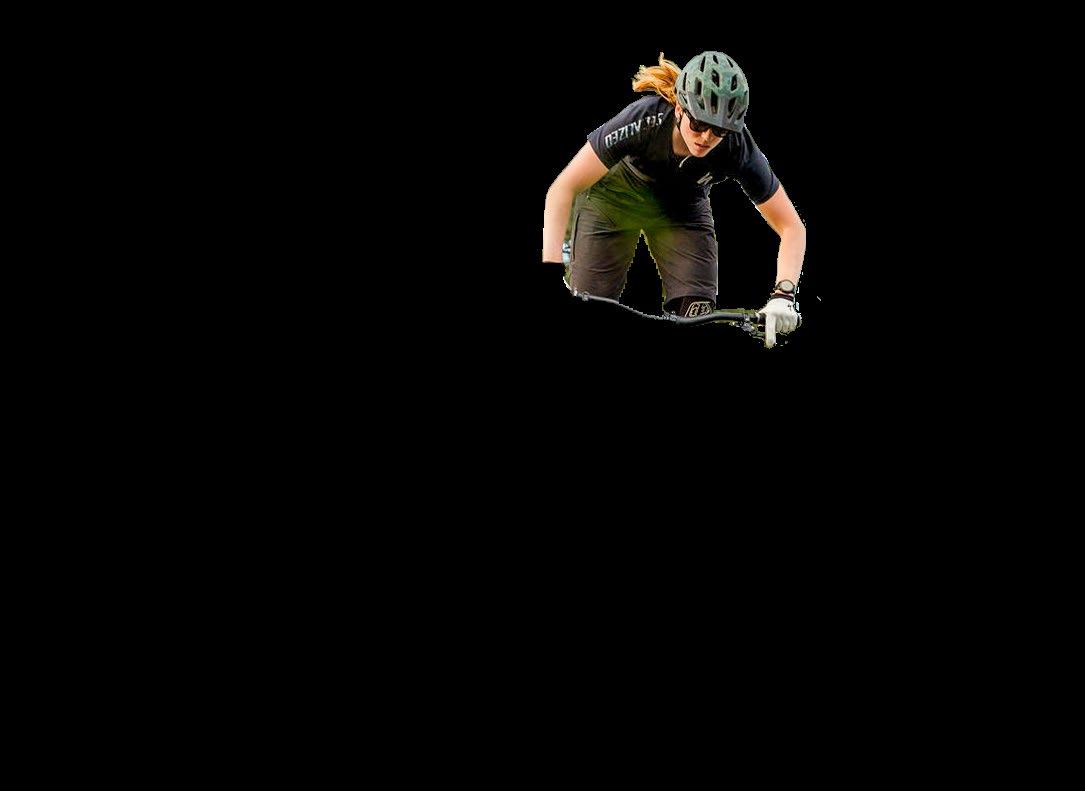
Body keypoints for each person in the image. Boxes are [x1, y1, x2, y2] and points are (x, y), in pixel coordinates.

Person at [541, 52, 806, 347]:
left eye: (719, 130)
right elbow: (563, 188)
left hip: (683, 208)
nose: (705, 137)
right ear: (679, 108)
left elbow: (792, 227)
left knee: (696, 316)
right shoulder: (644, 119)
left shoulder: (737, 146)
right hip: (615, 199)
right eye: (699, 124)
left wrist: (784, 296)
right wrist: (550, 270)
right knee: (591, 308)